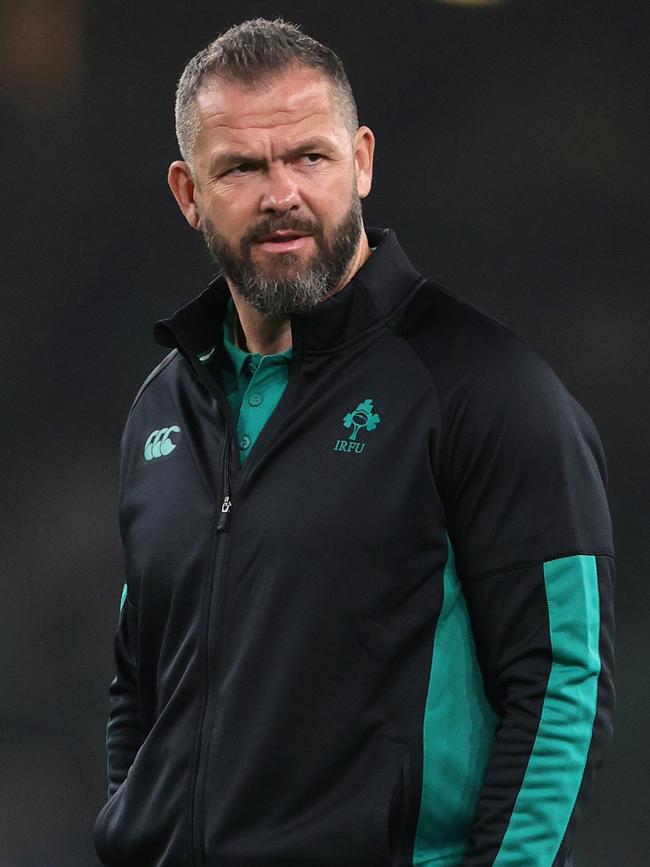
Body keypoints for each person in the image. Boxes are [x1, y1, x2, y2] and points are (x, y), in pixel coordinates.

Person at [94, 18, 615, 867]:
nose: (281, 193)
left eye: (309, 157)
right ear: (189, 193)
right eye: (243, 167)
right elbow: (137, 685)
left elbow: (563, 686)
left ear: (362, 161)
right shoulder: (162, 409)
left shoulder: (487, 389)